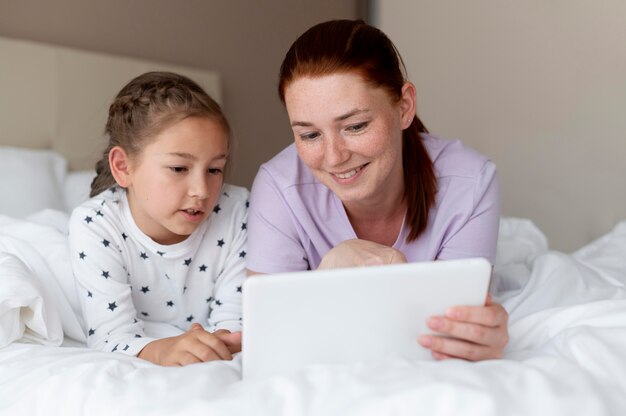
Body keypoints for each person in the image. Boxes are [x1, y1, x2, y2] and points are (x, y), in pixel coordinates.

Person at [247, 20, 509, 361]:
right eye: (310, 135)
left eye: (355, 126)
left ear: (404, 107)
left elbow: (446, 340)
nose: (334, 157)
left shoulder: (471, 181)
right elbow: (268, 340)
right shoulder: (280, 187)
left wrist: (476, 338)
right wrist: (326, 280)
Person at [68, 71, 248, 366]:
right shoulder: (96, 224)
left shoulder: (238, 212)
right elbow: (110, 337)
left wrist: (213, 345)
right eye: (179, 168)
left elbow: (234, 326)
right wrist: (163, 350)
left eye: (215, 169)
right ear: (123, 167)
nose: (201, 191)